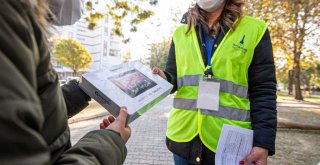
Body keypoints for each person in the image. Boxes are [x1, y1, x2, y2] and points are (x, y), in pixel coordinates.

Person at [0, 0, 131, 164]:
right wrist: (111, 140)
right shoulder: (9, 17)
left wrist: (84, 89)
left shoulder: (22, 21)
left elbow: (37, 104)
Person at [153, 0, 277, 164]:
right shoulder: (180, 33)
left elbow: (264, 91)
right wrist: (165, 79)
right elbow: (174, 76)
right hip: (183, 139)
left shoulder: (255, 30)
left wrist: (262, 143)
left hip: (230, 145)